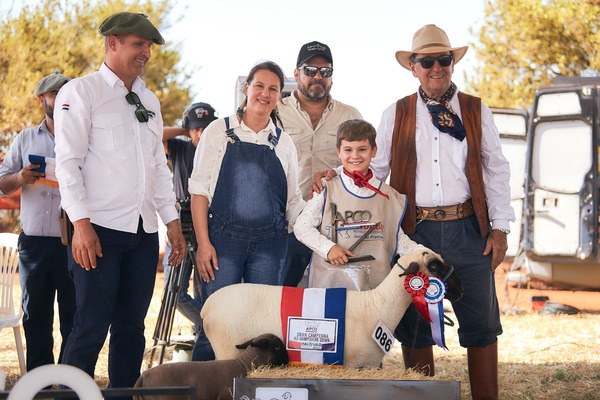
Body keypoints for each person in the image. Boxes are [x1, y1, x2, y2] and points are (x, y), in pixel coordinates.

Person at [313, 24, 514, 400]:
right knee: (415, 321)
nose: (436, 68)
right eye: (427, 61)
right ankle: (424, 397)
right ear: (413, 67)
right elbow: (376, 168)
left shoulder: (476, 108)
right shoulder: (397, 112)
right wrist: (337, 178)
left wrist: (499, 228)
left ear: (452, 64)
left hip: (470, 228)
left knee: (481, 323)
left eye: (444, 60)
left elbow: (496, 168)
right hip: (414, 232)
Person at [53, 12, 186, 396]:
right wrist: (80, 225)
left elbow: (158, 166)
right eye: (138, 44)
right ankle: (67, 394)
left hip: (143, 232)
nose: (146, 52)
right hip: (98, 232)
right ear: (112, 43)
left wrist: (171, 223)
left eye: (148, 46)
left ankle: (124, 394)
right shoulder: (81, 91)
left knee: (131, 329)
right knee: (91, 324)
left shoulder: (149, 99)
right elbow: (68, 164)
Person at [188, 61, 305, 361]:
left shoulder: (284, 143)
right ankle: (204, 390)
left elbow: (293, 203)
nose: (265, 94)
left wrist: (319, 228)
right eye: (259, 86)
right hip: (223, 243)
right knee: (214, 321)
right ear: (246, 88)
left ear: (280, 96)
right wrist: (204, 245)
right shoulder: (219, 130)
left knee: (262, 329)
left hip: (270, 246)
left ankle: (250, 390)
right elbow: (199, 191)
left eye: (273, 89)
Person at [293, 119, 426, 291]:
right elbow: (302, 227)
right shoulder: (326, 187)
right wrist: (329, 248)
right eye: (348, 150)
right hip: (330, 285)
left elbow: (397, 239)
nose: (355, 156)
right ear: (338, 152)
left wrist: (425, 254)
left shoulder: (389, 196)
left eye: (362, 149)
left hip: (376, 289)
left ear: (374, 151)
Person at [0, 71, 75, 371]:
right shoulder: (25, 138)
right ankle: (41, 384)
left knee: (74, 317)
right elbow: (3, 182)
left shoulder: (85, 136)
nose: (59, 100)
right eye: (53, 94)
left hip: (73, 241)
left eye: (64, 94)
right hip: (33, 244)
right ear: (42, 99)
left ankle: (70, 381)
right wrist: (20, 177)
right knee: (36, 318)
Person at [278, 41, 362, 287]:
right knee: (283, 298)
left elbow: (362, 167)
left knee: (330, 302)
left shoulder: (350, 115)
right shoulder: (275, 112)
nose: (318, 76)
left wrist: (335, 173)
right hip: (285, 226)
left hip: (334, 227)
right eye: (310, 70)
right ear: (296, 74)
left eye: (325, 71)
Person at [161, 102, 218, 335]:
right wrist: (184, 128)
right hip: (180, 227)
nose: (200, 133)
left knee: (203, 291)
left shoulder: (218, 151)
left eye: (206, 128)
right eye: (196, 129)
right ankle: (210, 329)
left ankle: (201, 341)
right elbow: (156, 135)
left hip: (207, 225)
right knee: (173, 293)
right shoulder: (179, 148)